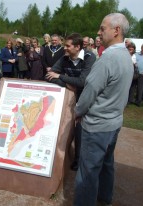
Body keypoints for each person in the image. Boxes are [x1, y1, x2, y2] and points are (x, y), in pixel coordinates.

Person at [73, 13, 133, 206]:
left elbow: (89, 91)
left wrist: (77, 112)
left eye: (102, 28)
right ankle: (105, 198)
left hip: (98, 125)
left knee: (87, 172)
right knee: (106, 163)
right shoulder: (126, 55)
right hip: (114, 122)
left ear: (116, 31)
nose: (98, 33)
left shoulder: (107, 59)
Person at [45, 33, 96, 171]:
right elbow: (49, 76)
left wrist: (61, 76)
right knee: (64, 125)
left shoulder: (89, 58)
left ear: (77, 47)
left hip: (86, 99)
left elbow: (83, 82)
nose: (65, 48)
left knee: (80, 129)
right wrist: (66, 83)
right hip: (70, 96)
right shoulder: (65, 58)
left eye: (67, 46)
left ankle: (79, 160)